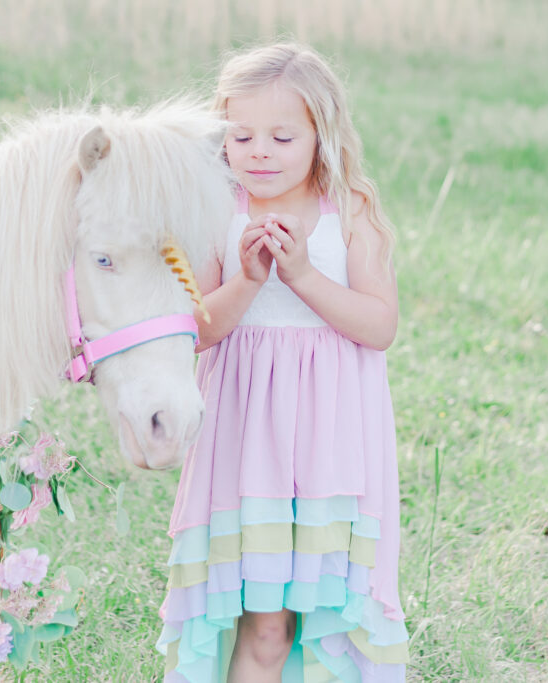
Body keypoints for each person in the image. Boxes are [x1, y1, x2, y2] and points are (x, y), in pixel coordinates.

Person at [157, 42, 409, 683]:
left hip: (332, 443)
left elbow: (379, 327)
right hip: (246, 441)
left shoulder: (349, 212)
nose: (259, 152)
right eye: (241, 136)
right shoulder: (217, 210)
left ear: (321, 137)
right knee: (263, 620)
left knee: (319, 615)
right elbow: (200, 332)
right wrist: (248, 278)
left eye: (281, 136)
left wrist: (300, 276)